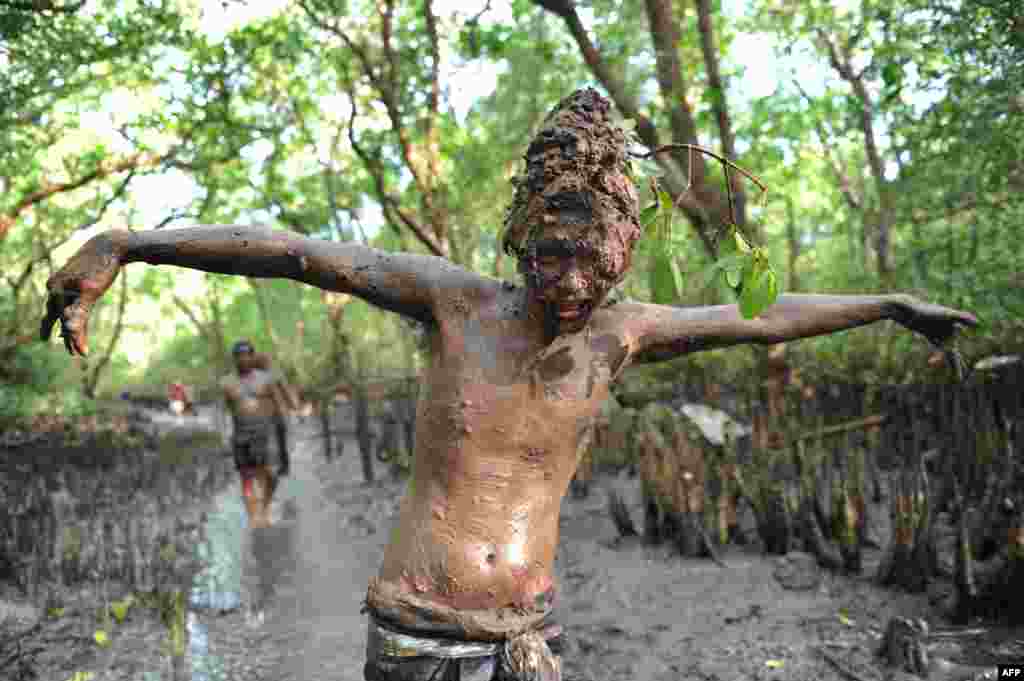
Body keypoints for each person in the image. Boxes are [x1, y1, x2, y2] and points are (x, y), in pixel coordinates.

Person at [41, 88, 977, 680]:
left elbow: (765, 315)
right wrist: (127, 243)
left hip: (531, 640)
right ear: (525, 235)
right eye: (552, 254)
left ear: (621, 252)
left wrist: (891, 303)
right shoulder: (453, 304)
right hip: (414, 633)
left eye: (590, 261)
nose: (569, 282)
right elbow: (294, 252)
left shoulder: (623, 334)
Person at [219, 340, 296, 529]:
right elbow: (222, 411)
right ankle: (254, 516)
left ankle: (263, 507)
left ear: (253, 357)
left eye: (247, 355)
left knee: (269, 474)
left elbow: (282, 405)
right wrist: (223, 434)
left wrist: (287, 430)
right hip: (240, 435)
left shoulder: (267, 379)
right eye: (239, 356)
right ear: (234, 359)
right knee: (246, 476)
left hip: (265, 434)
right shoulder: (226, 383)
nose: (243, 359)